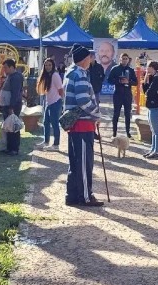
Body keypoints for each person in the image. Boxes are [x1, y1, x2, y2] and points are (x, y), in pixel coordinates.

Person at [63, 44, 104, 208]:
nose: (91, 59)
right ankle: (86, 196)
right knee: (84, 163)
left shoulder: (70, 73)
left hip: (76, 124)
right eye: (89, 57)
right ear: (84, 59)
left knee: (75, 162)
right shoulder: (79, 74)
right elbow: (83, 101)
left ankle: (72, 195)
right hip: (82, 123)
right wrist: (97, 114)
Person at [37, 58, 64, 151]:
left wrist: (61, 101)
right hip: (49, 102)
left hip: (55, 102)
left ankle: (56, 144)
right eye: (46, 65)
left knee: (55, 123)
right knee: (46, 122)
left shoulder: (55, 75)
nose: (47, 67)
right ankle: (46, 141)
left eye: (49, 65)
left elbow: (61, 90)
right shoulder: (47, 76)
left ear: (53, 66)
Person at [107, 53, 137, 137]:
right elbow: (109, 80)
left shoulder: (131, 70)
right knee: (116, 113)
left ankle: (128, 132)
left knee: (127, 114)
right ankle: (114, 132)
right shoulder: (115, 69)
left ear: (128, 60)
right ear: (120, 59)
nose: (124, 60)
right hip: (118, 94)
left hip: (127, 94)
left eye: (126, 59)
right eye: (123, 58)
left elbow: (136, 82)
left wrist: (128, 82)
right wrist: (119, 81)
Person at [0, 59, 24, 156]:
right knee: (8, 127)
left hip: (13, 106)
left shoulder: (16, 77)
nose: (4, 69)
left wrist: (11, 107)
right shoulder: (10, 76)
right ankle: (9, 147)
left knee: (13, 127)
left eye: (5, 67)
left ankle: (14, 149)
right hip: (7, 105)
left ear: (12, 67)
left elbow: (15, 93)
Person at [142, 61, 158, 159]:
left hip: (156, 106)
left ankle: (157, 151)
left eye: (148, 67)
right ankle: (153, 149)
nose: (147, 69)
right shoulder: (152, 77)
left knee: (157, 131)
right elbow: (145, 90)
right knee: (153, 130)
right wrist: (145, 79)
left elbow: (150, 92)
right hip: (151, 107)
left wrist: (148, 90)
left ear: (153, 68)